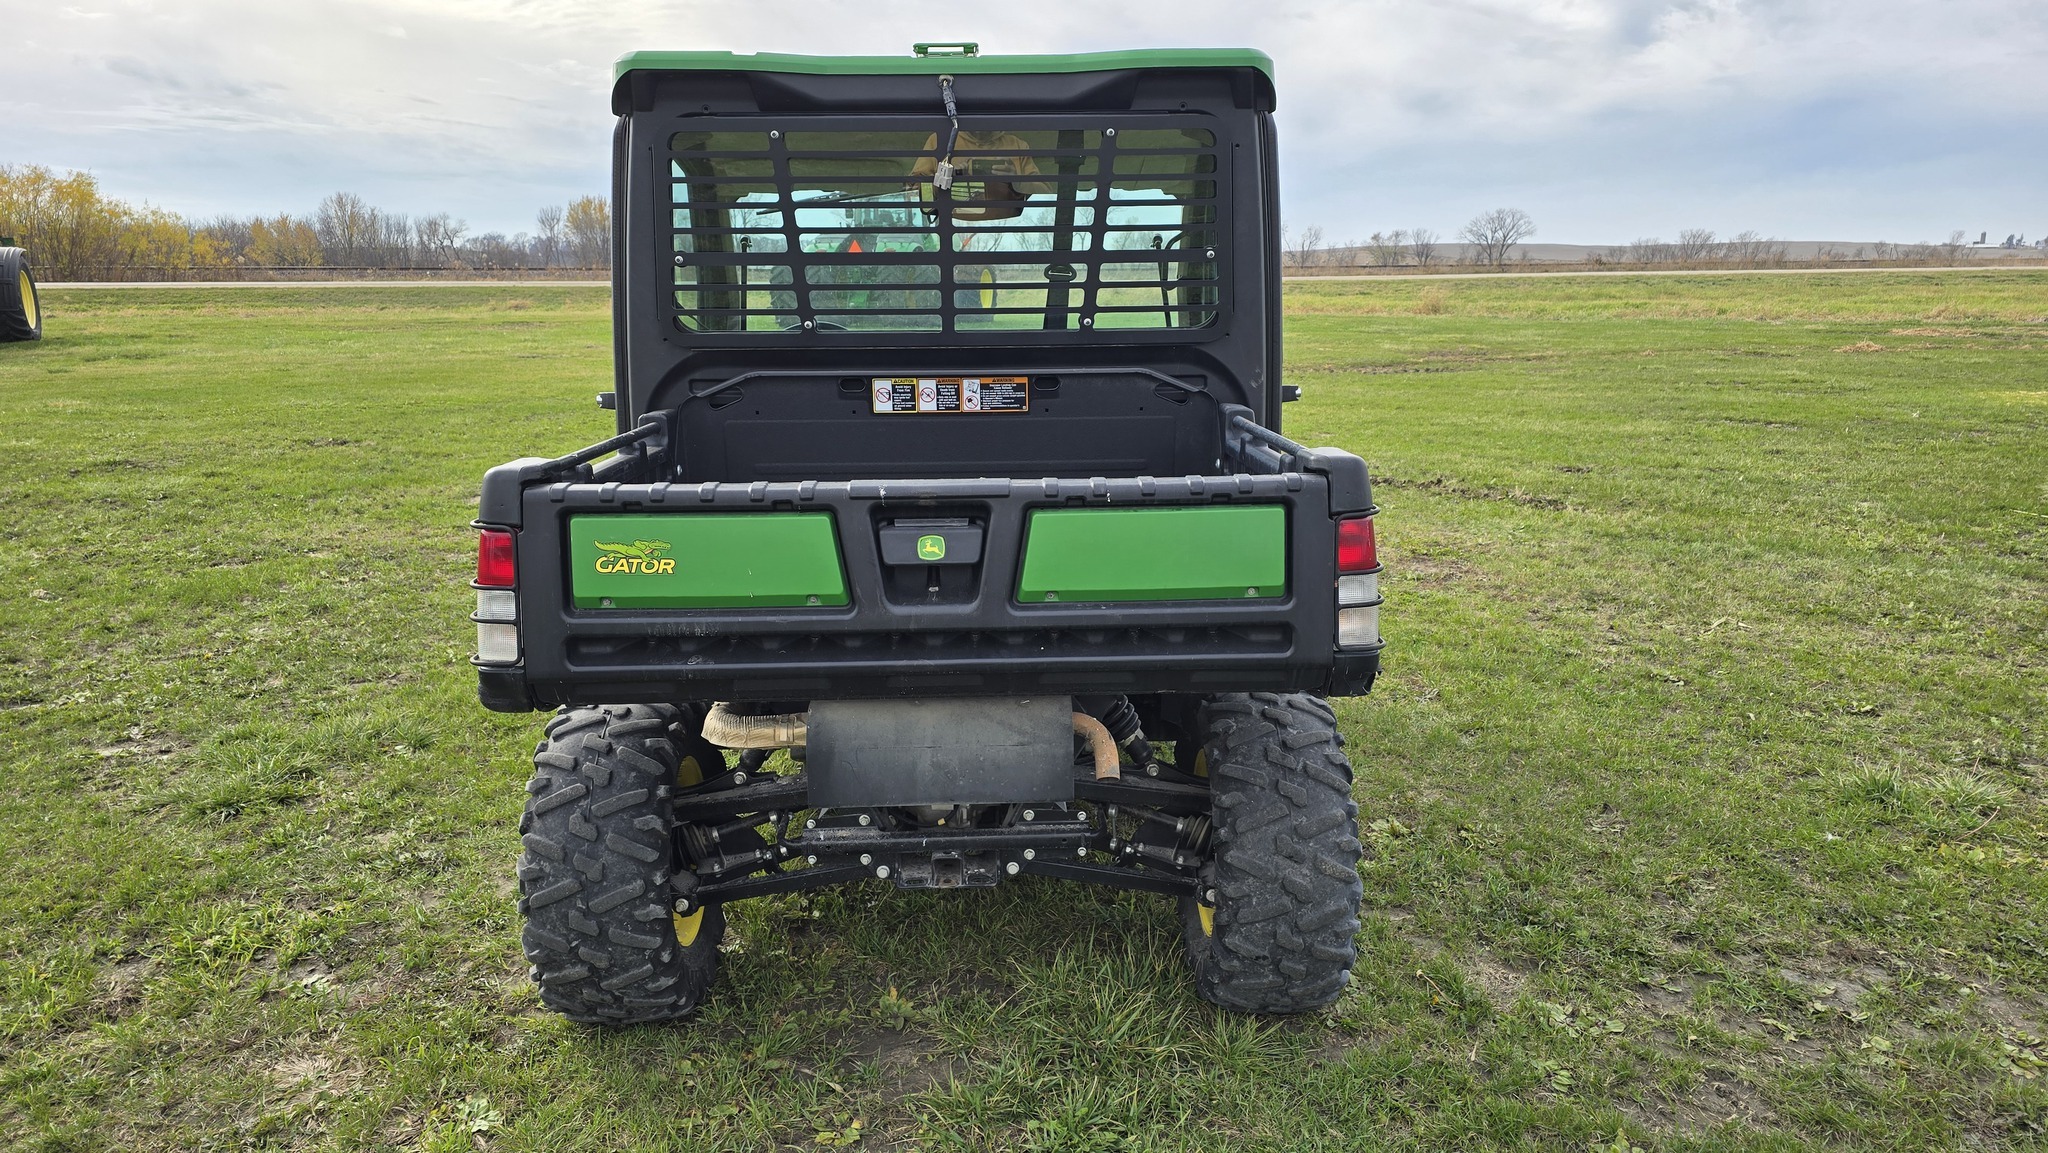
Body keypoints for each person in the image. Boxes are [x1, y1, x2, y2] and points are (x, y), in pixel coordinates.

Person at [909, 129, 1051, 221]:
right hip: (953, 234)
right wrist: (946, 179)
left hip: (1009, 232)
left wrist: (1017, 181)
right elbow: (912, 192)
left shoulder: (1016, 145)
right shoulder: (940, 140)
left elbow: (1047, 195)